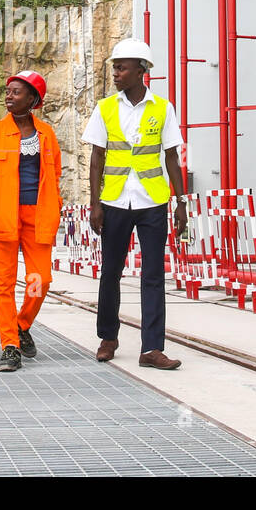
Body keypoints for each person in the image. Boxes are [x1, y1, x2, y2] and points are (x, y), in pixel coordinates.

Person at [81, 38, 187, 370]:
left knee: (153, 275)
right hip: (113, 201)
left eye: (122, 67)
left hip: (152, 201)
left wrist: (180, 202)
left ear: (142, 71)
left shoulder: (162, 108)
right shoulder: (105, 108)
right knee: (111, 271)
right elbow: (96, 159)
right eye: (114, 67)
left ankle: (152, 349)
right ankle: (108, 337)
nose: (115, 72)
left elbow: (172, 156)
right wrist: (94, 204)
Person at [0, 70, 62, 372]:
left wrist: (55, 204)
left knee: (40, 280)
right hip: (3, 215)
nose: (9, 96)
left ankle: (22, 324)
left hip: (37, 216)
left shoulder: (46, 135)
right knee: (3, 284)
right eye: (8, 91)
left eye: (16, 92)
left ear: (33, 98)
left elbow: (55, 174)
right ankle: (9, 345)